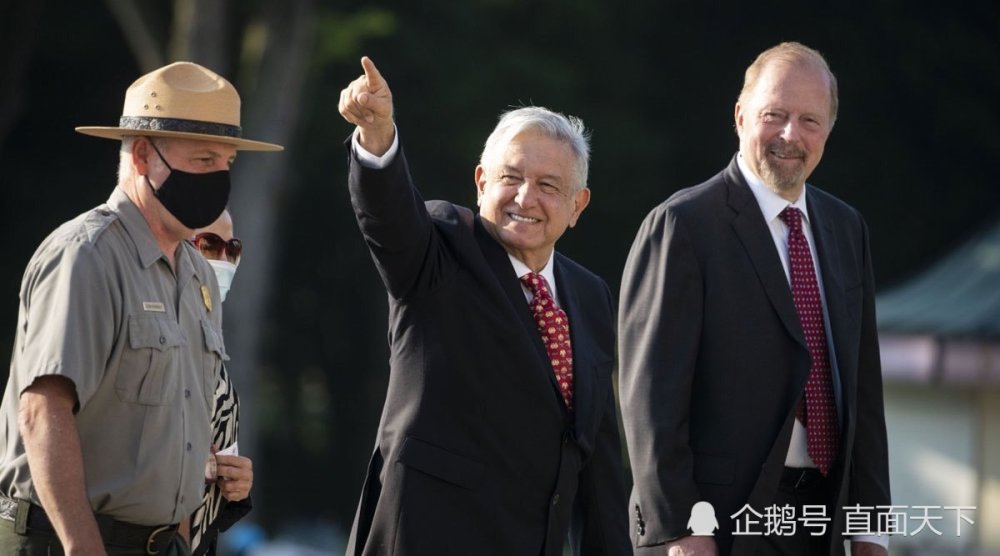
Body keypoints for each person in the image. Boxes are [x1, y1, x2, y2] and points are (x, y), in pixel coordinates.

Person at [338, 57, 631, 555]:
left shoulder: (589, 295)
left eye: (548, 186)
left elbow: (596, 459)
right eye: (510, 177)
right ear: (480, 183)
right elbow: (389, 218)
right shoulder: (443, 247)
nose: (525, 198)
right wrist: (377, 137)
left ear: (577, 205)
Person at [618, 42, 890, 556]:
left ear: (828, 132)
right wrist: (679, 526)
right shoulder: (682, 226)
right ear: (741, 115)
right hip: (716, 527)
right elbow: (651, 398)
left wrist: (871, 528)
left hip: (822, 522)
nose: (791, 135)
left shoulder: (846, 229)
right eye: (774, 115)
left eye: (809, 120)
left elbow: (863, 388)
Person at [0, 61, 281, 554]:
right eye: (203, 159)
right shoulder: (86, 256)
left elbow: (183, 439)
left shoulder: (197, 276)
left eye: (227, 162)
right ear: (144, 156)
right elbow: (43, 412)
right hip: (64, 541)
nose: (219, 177)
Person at [188, 209, 254, 555]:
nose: (224, 260)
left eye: (233, 249)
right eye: (210, 245)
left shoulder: (210, 340)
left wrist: (238, 485)